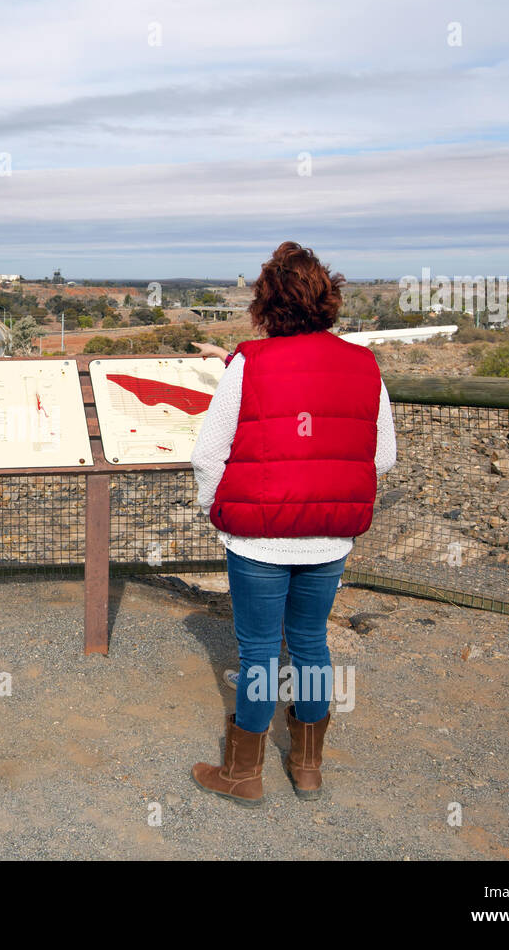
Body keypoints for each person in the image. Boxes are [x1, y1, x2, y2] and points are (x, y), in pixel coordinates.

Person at [187, 241, 397, 807]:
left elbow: (208, 454)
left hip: (258, 538)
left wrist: (219, 511)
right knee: (309, 641)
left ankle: (244, 772)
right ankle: (307, 766)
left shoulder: (248, 364)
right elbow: (382, 458)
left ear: (265, 304)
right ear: (328, 298)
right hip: (330, 534)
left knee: (258, 649)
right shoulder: (363, 365)